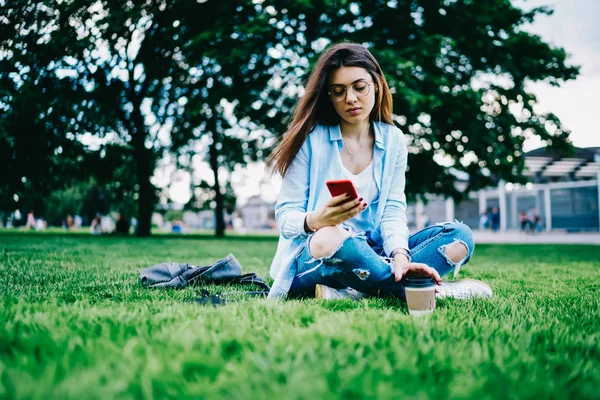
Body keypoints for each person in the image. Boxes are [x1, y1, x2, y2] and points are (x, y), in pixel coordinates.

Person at [265, 42, 491, 301]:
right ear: (328, 96)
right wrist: (316, 220)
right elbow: (285, 217)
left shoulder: (393, 139)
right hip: (319, 253)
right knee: (330, 237)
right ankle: (430, 291)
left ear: (377, 85)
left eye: (359, 87)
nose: (350, 98)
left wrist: (401, 256)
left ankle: (356, 291)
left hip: (375, 252)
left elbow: (393, 209)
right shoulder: (311, 140)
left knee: (459, 237)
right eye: (338, 92)